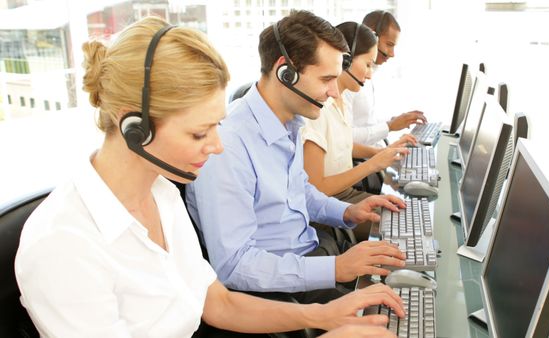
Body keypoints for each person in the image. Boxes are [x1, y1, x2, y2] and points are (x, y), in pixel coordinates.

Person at [14, 16, 404, 337]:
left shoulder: (162, 193)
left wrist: (322, 317)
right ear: (136, 127)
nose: (218, 146)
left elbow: (217, 302)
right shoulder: (61, 246)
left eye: (216, 126)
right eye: (200, 133)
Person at [186, 10, 406, 305]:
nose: (333, 91)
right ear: (284, 72)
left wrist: (345, 212)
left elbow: (299, 191)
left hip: (310, 256)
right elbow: (234, 266)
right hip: (279, 291)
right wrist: (336, 268)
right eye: (326, 79)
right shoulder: (228, 147)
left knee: (405, 284)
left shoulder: (288, 123)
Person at [300, 22, 410, 241]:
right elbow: (316, 188)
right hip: (330, 203)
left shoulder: (343, 99)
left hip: (347, 194)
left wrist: (381, 154)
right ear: (346, 60)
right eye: (367, 64)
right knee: (404, 230)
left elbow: (343, 145)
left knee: (407, 215)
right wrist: (372, 164)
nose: (369, 74)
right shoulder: (317, 111)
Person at [344, 10, 427, 147]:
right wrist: (389, 126)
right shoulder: (349, 79)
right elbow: (344, 138)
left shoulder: (369, 73)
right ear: (371, 35)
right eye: (389, 45)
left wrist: (396, 122)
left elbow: (365, 122)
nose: (392, 54)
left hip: (373, 151)